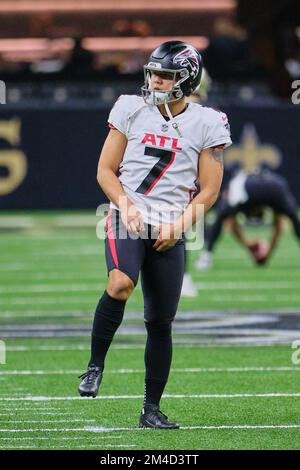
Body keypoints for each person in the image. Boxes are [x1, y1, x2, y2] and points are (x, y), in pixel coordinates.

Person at [78, 40, 232, 429]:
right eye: (153, 73)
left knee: (160, 322)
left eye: (165, 75)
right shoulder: (131, 109)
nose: (156, 80)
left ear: (187, 79)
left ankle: (151, 409)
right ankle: (95, 366)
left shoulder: (208, 122)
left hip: (171, 227)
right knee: (119, 285)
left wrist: (178, 226)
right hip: (126, 217)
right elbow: (104, 171)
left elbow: (210, 190)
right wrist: (125, 206)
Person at [196, 169, 300, 270]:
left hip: (252, 188)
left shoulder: (236, 185)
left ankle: (207, 256)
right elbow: (278, 224)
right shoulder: (241, 185)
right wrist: (268, 252)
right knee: (294, 217)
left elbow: (231, 223)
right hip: (275, 186)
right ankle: (206, 257)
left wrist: (247, 245)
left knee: (221, 215)